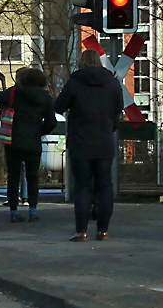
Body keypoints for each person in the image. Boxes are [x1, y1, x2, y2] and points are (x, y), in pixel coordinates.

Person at [55, 48, 124, 241]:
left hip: (80, 141)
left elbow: (59, 107)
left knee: (82, 186)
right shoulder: (112, 82)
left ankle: (81, 231)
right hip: (104, 140)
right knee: (105, 185)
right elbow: (119, 108)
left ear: (81, 62)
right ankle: (103, 230)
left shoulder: (75, 82)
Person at [0, 67, 57, 222]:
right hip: (33, 141)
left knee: (13, 177)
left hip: (13, 139)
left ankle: (14, 211)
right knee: (32, 177)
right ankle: (32, 211)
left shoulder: (14, 93)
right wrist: (38, 132)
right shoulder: (46, 97)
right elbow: (51, 122)